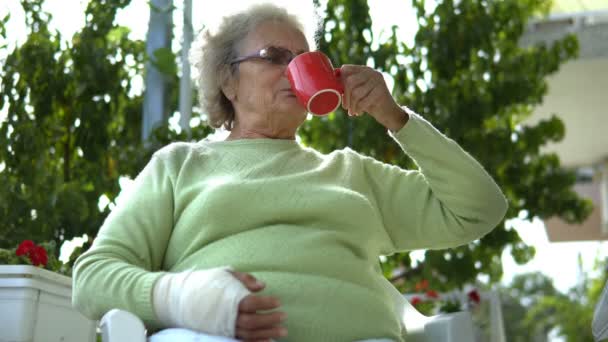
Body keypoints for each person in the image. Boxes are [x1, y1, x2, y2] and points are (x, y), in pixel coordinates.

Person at [72, 3, 508, 342]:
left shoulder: (350, 172)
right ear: (228, 82)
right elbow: (93, 278)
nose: (295, 70)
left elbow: (479, 209)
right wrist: (187, 298)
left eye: (305, 59)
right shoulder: (180, 165)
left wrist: (396, 118)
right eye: (274, 56)